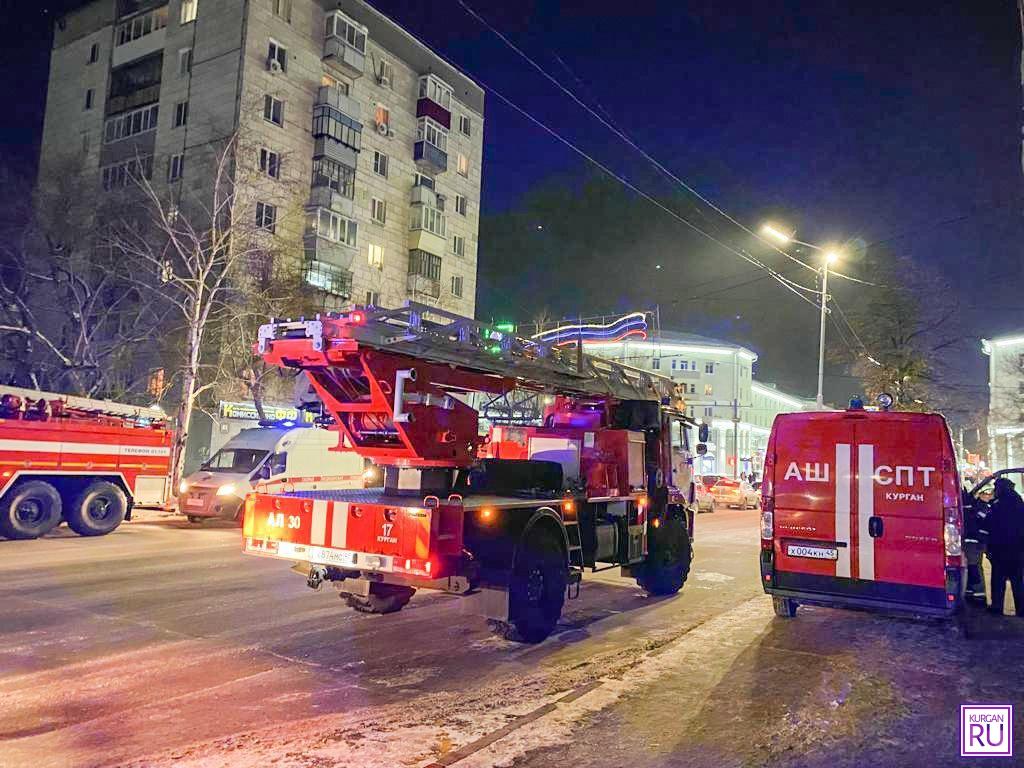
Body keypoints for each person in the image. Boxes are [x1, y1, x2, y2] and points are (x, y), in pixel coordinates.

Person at [983, 477, 1024, 616]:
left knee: (998, 580)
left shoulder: (997, 505)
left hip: (1001, 548)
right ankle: (1021, 609)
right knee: (1017, 580)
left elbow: (990, 525)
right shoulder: (1018, 502)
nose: (994, 490)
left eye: (996, 487)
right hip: (1017, 549)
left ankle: (997, 608)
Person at [962, 486, 987, 604]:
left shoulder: (970, 508)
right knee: (973, 567)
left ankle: (978, 595)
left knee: (973, 568)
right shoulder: (977, 506)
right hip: (975, 541)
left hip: (972, 542)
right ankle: (972, 593)